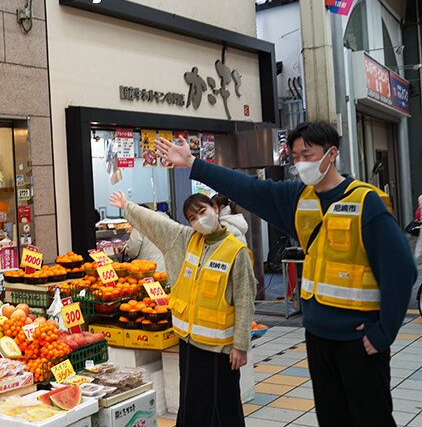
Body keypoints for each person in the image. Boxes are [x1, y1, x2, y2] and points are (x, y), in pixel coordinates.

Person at [154, 121, 417, 427]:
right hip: (318, 336)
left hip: (358, 340)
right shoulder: (298, 198)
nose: (301, 163)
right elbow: (249, 188)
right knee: (332, 419)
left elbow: (402, 270)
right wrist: (193, 164)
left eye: (308, 154)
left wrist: (383, 332)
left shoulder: (365, 202)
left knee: (370, 419)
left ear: (331, 154)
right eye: (295, 157)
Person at [109, 190, 256, 427]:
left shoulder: (235, 251)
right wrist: (128, 207)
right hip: (190, 344)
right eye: (192, 218)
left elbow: (245, 299)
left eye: (202, 211)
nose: (198, 220)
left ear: (215, 209)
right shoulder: (186, 240)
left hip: (220, 349)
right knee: (191, 404)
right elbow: (156, 223)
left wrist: (240, 345)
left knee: (223, 407)